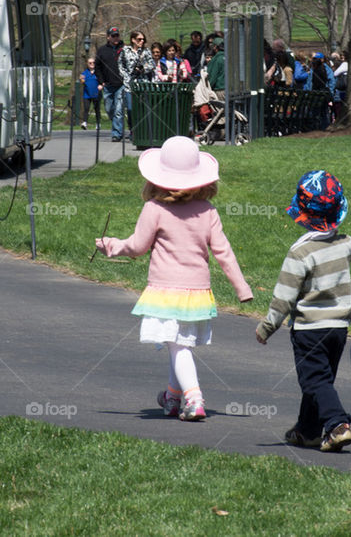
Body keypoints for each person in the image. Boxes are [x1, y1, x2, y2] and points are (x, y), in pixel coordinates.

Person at [95, 136, 253, 421]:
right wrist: (242, 288)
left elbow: (138, 246)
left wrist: (111, 245)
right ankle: (172, 396)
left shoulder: (154, 209)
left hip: (166, 290)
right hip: (197, 292)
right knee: (176, 341)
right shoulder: (208, 211)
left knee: (177, 345)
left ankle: (193, 398)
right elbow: (224, 252)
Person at [256, 170, 351, 452]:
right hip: (338, 330)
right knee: (320, 380)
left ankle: (337, 425)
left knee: (314, 380)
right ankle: (307, 430)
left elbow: (284, 298)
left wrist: (267, 327)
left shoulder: (299, 254)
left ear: (302, 214)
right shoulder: (345, 243)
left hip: (309, 331)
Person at [118, 30, 155, 141]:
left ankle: (143, 131)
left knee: (143, 108)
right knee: (130, 109)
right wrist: (126, 76)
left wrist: (143, 69)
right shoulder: (125, 51)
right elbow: (120, 64)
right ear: (133, 40)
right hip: (130, 84)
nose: (142, 41)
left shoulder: (146, 51)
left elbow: (152, 65)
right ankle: (132, 130)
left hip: (143, 84)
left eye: (143, 39)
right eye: (139, 39)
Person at [95, 27, 126, 141]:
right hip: (107, 85)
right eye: (113, 36)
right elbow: (97, 66)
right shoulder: (102, 50)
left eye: (117, 35)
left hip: (121, 84)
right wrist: (101, 80)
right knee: (109, 109)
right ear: (108, 37)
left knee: (119, 110)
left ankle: (116, 134)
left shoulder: (124, 49)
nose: (116, 37)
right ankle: (117, 128)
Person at [79, 56, 103, 130]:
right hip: (87, 94)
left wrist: (101, 85)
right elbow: (82, 81)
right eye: (90, 63)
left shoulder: (98, 72)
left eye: (93, 63)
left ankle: (98, 124)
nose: (92, 64)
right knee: (86, 108)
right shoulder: (85, 73)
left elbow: (102, 81)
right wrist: (81, 79)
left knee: (97, 109)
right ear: (87, 64)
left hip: (96, 93)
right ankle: (85, 122)